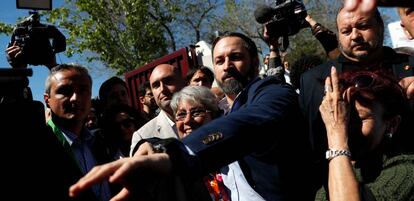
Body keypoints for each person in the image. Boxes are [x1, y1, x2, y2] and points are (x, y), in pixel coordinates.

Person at [69, 32, 314, 201]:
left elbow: (254, 120)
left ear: (255, 60)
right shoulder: (224, 112)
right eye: (219, 60)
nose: (226, 66)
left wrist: (177, 153)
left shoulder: (270, 93)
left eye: (236, 57)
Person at [299, 5, 414, 193]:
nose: (355, 36)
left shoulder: (409, 66)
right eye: (346, 31)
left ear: (380, 26)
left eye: (363, 26)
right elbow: (310, 144)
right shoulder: (313, 80)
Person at [316, 67, 414, 200]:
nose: (347, 128)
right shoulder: (344, 164)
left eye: (360, 120)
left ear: (392, 124)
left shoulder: (404, 172)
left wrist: (336, 134)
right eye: (345, 118)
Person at [44, 64, 115, 201]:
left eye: (83, 90)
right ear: (47, 100)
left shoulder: (101, 141)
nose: (75, 98)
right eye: (65, 91)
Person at [129, 63, 185, 155]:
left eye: (168, 81)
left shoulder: (207, 115)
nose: (162, 89)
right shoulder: (142, 136)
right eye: (156, 85)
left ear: (183, 83)